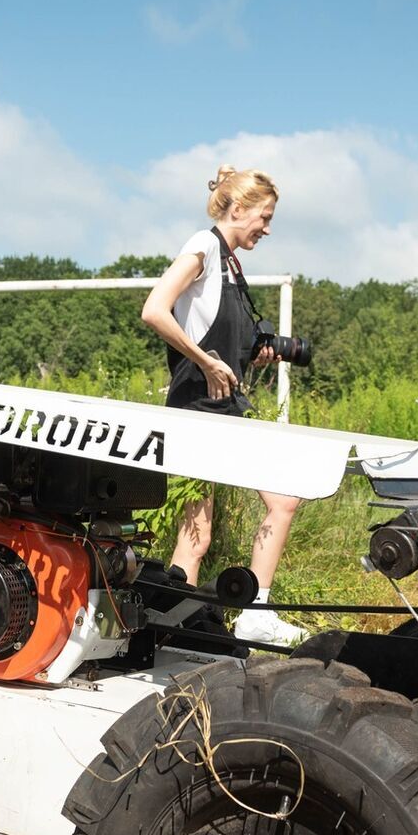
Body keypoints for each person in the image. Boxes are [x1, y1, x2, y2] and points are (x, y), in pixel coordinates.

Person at [141, 165, 305, 647]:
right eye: (265, 217)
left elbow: (217, 334)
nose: (268, 228)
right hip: (197, 407)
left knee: (281, 500)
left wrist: (251, 353)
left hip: (226, 405)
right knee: (200, 534)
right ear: (238, 209)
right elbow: (154, 309)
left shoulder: (231, 262)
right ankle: (176, 629)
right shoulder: (204, 245)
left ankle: (246, 613)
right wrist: (207, 363)